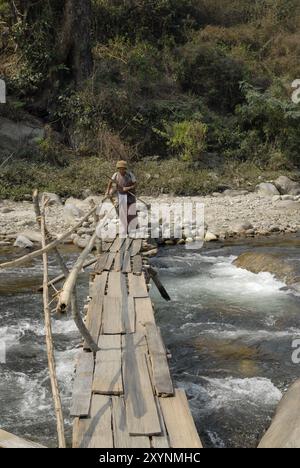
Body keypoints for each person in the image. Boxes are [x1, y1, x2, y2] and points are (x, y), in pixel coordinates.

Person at [105, 160, 137, 234]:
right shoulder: (116, 175)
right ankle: (125, 228)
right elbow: (110, 182)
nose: (121, 170)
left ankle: (132, 227)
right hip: (121, 195)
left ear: (125, 168)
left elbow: (135, 184)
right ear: (118, 168)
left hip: (130, 195)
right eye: (120, 168)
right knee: (122, 211)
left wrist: (128, 188)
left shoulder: (130, 174)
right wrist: (107, 191)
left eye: (123, 168)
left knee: (131, 211)